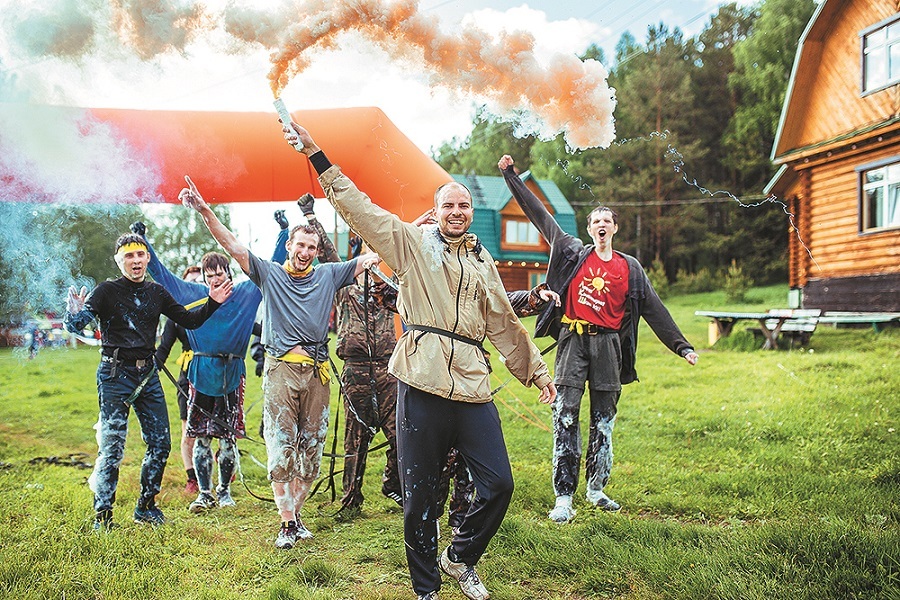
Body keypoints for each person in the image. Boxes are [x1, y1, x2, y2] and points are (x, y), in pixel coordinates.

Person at [282, 121, 556, 600]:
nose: (456, 212)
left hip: (472, 383)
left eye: (463, 205)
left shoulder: (482, 261)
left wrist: (535, 371)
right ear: (436, 211)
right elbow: (360, 210)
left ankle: (460, 557)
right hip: (421, 379)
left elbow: (504, 323)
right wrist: (317, 155)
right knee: (419, 496)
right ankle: (426, 588)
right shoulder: (411, 244)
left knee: (499, 483)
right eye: (447, 205)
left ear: (472, 212)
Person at [179, 175, 379, 549]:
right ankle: (286, 523)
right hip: (281, 371)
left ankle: (296, 515)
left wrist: (416, 229)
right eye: (300, 244)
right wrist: (206, 211)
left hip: (318, 374)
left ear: (318, 251)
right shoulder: (269, 274)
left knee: (312, 451)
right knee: (282, 446)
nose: (305, 251)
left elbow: (375, 254)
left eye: (312, 247)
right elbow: (233, 246)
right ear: (289, 245)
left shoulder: (328, 275)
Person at [497, 155, 699, 523]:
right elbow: (538, 213)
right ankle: (563, 496)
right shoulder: (572, 250)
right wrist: (511, 177)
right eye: (596, 221)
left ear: (615, 229)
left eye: (607, 221)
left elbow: (654, 309)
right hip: (573, 342)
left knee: (604, 420)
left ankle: (596, 489)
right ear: (590, 229)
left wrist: (681, 346)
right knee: (566, 417)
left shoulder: (629, 267)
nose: (601, 225)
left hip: (608, 346)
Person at [64, 233, 232, 531]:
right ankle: (103, 515)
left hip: (147, 375)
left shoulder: (156, 292)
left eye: (140, 255)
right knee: (112, 447)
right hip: (115, 375)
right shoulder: (105, 292)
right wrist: (73, 312)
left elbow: (188, 320)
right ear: (120, 261)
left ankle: (146, 506)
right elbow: (76, 326)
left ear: (147, 259)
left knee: (161, 444)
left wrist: (213, 303)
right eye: (129, 256)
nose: (136, 261)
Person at [134, 219, 288, 514]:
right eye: (210, 276)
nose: (216, 280)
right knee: (201, 436)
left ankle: (225, 490)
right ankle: (204, 493)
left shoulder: (246, 292)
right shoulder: (191, 294)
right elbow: (161, 273)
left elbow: (272, 263)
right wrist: (143, 242)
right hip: (200, 373)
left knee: (228, 437)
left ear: (230, 273)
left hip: (232, 374)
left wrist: (283, 232)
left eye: (221, 274)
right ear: (204, 278)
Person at [298, 197, 403, 511]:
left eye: (376, 260)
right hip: (355, 371)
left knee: (400, 434)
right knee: (354, 440)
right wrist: (310, 216)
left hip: (389, 371)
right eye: (365, 261)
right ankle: (350, 500)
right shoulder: (345, 290)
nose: (371, 265)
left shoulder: (391, 290)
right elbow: (328, 252)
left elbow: (405, 254)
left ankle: (392, 483)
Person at [154, 265, 203, 495]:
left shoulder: (216, 310)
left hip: (215, 372)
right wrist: (149, 365)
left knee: (217, 428)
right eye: (189, 282)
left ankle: (222, 469)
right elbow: (164, 347)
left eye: (198, 281)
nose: (194, 286)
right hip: (188, 374)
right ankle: (192, 477)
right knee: (188, 429)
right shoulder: (175, 317)